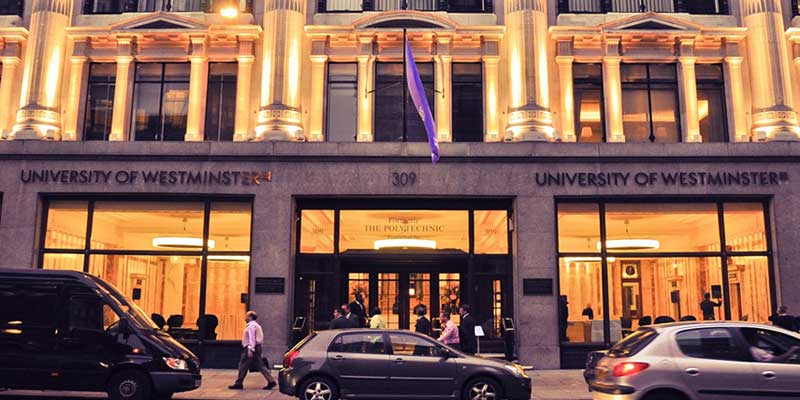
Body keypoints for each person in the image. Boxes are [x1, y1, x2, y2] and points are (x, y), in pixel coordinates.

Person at [229, 311, 277, 390]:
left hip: (251, 347)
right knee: (260, 365)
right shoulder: (257, 325)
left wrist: (250, 349)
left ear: (250, 317)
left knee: (243, 365)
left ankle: (239, 383)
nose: (245, 318)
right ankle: (271, 381)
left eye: (247, 316)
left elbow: (252, 338)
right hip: (257, 347)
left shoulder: (251, 326)